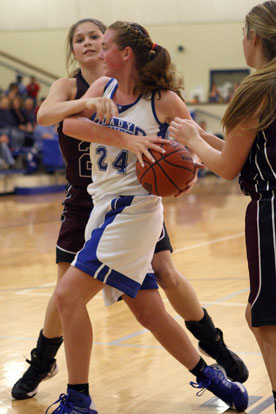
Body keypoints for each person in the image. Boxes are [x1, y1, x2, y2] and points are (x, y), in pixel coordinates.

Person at [11, 18, 248, 406]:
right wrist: (128, 140)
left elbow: (194, 141)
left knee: (68, 295)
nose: (97, 52)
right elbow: (69, 125)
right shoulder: (101, 88)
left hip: (134, 212)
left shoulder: (163, 101)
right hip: (100, 209)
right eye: (89, 42)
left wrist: (192, 170)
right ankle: (219, 383)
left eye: (104, 44)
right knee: (149, 314)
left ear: (125, 54)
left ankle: (77, 398)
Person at [169, 1, 276, 413]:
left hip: (271, 212)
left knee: (266, 317)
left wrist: (194, 142)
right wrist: (201, 135)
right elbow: (249, 151)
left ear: (254, 38)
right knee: (257, 312)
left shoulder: (257, 88)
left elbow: (230, 167)